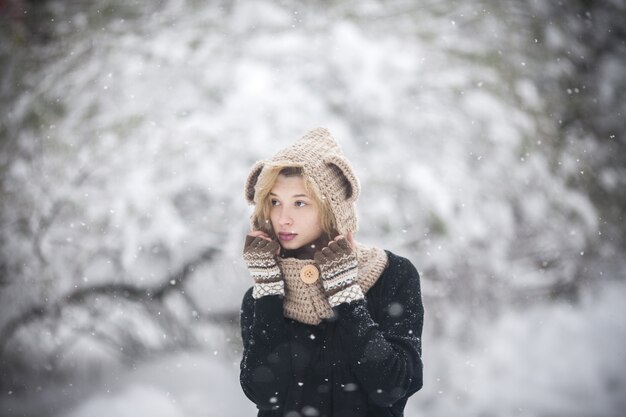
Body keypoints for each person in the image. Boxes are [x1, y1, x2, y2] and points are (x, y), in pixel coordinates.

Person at [239, 128, 424, 417]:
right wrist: (268, 293)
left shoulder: (393, 275)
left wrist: (346, 293)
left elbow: (392, 387)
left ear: (332, 209)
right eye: (275, 202)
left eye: (300, 202)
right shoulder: (262, 293)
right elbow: (265, 394)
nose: (283, 218)